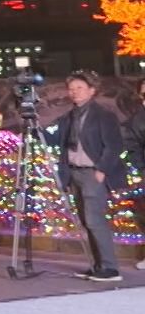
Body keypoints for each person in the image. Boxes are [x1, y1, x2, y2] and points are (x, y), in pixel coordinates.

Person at [48, 71, 124, 282]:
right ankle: (98, 265)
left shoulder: (103, 115)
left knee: (94, 220)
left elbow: (114, 145)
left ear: (92, 90)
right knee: (86, 221)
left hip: (92, 173)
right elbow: (56, 140)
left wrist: (101, 170)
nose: (74, 92)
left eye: (79, 88)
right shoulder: (69, 116)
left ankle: (110, 268)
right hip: (74, 172)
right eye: (72, 89)